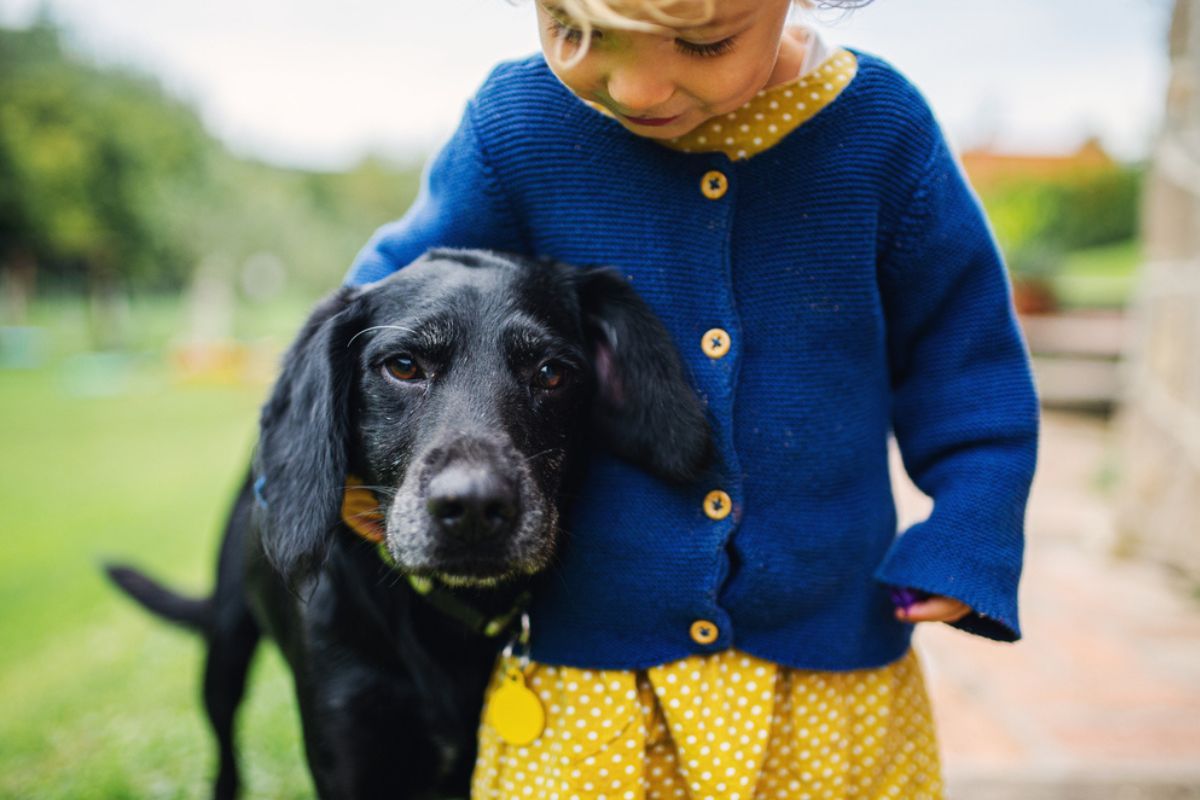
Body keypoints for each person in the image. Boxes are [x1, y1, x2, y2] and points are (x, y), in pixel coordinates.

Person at [346, 0, 1039, 797]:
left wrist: (971, 526)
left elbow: (965, 352)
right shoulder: (520, 128)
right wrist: (341, 466)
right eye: (579, 33)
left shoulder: (882, 134)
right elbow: (380, 305)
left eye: (704, 43)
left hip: (824, 672)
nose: (638, 89)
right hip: (594, 669)